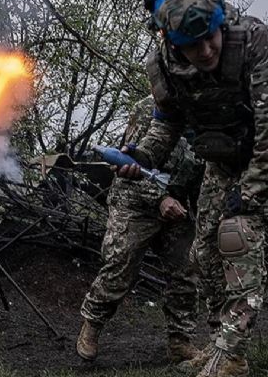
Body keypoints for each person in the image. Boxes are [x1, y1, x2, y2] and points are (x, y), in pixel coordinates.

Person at [118, 0, 268, 376]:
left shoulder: (253, 42)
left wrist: (250, 194)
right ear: (171, 40)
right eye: (191, 44)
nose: (205, 51)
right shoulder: (164, 65)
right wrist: (142, 156)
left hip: (261, 160)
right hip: (219, 165)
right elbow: (167, 124)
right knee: (204, 254)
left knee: (236, 237)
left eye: (209, 37)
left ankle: (231, 355)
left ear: (220, 22)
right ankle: (222, 343)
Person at [76, 96, 214, 363]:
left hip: (177, 201)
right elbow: (133, 165)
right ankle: (91, 324)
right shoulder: (149, 109)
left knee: (186, 270)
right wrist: (159, 199)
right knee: (120, 264)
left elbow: (205, 169)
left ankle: (180, 341)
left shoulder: (210, 112)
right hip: (134, 199)